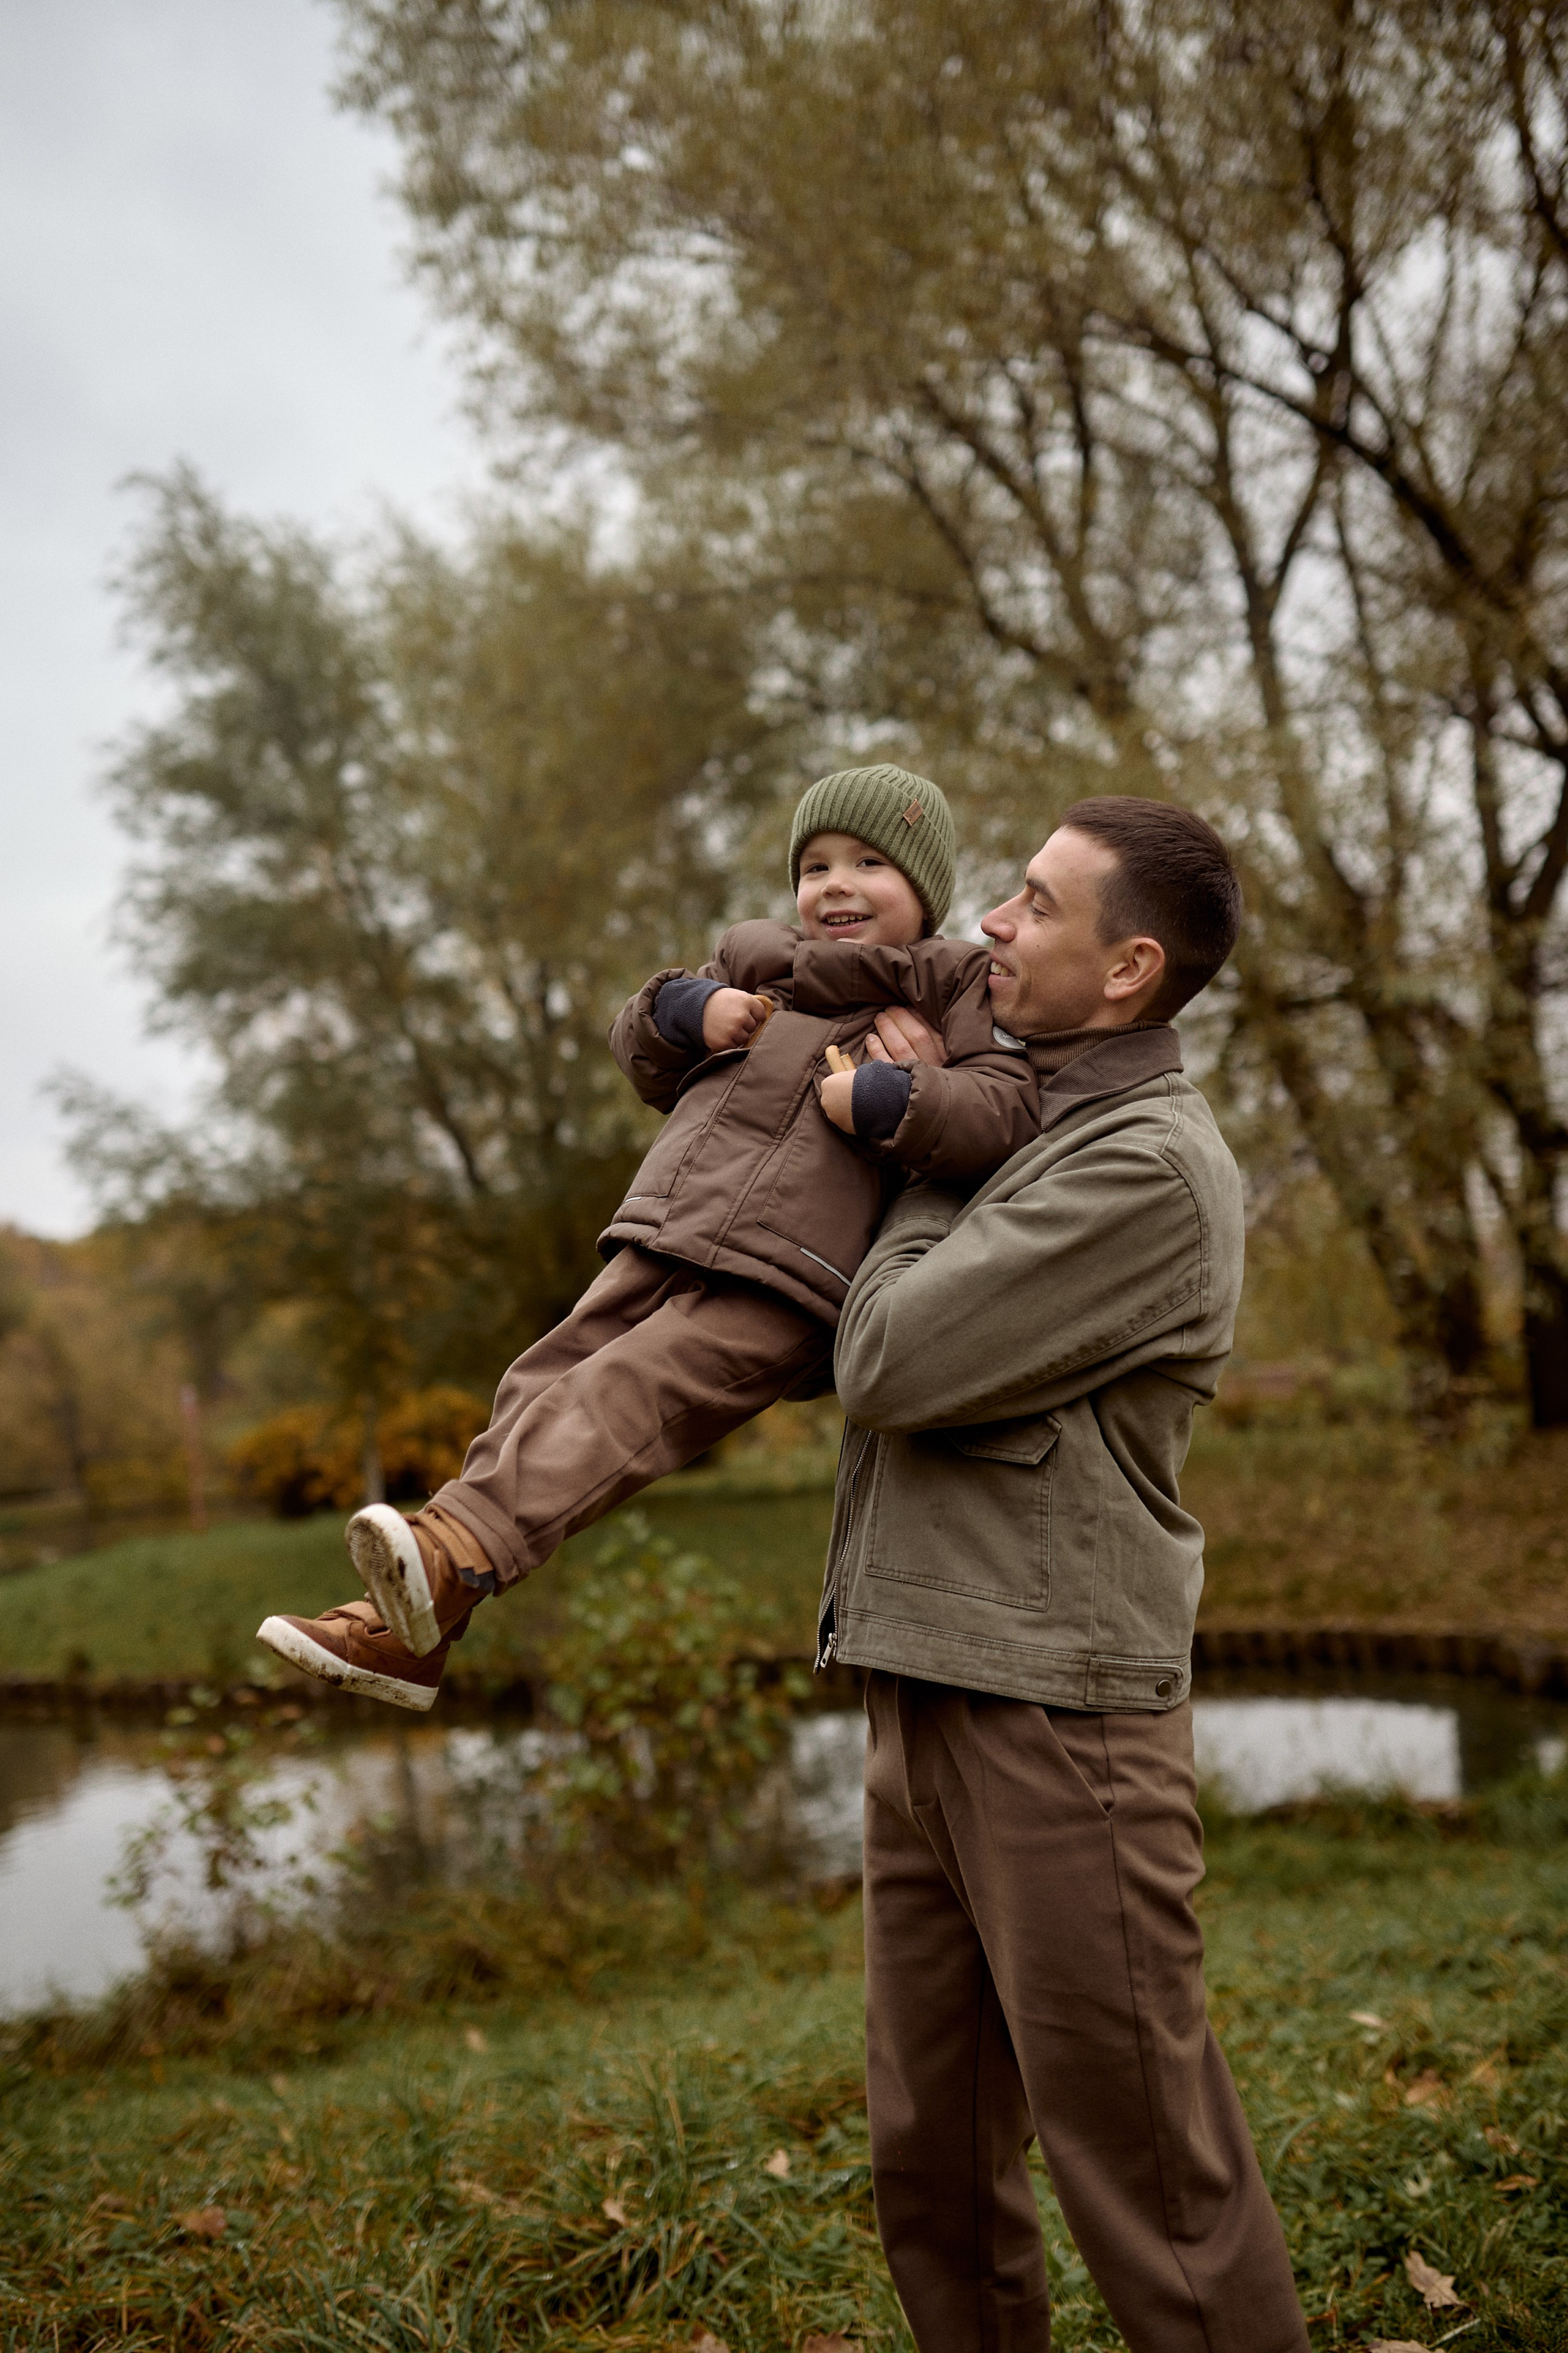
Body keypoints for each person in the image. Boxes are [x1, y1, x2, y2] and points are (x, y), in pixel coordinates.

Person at [825, 797, 1310, 2352]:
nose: (988, 926)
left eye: (1032, 904)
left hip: (1058, 1723)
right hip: (924, 1679)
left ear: (1127, 970)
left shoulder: (1149, 1170)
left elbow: (889, 1357)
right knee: (936, 2163)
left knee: (1153, 2184)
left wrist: (909, 1135)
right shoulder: (1024, 1116)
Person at [257, 765, 1039, 1709]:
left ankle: (453, 1551)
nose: (835, 883)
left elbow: (1003, 1111)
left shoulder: (948, 986)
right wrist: (684, 1012)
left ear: (925, 890)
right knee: (539, 1385)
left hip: (788, 1272)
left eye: (870, 862)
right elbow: (638, 1043)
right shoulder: (753, 965)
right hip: (671, 1222)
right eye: (817, 863)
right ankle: (413, 1631)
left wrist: (886, 1095)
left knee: (630, 1392)